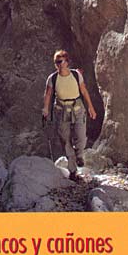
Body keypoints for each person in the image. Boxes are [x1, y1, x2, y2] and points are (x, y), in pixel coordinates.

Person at [42, 50, 96, 181]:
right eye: (56, 62)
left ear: (67, 62)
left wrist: (91, 107)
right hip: (61, 110)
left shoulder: (76, 75)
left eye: (61, 61)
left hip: (77, 107)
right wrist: (45, 109)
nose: (59, 64)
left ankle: (79, 155)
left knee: (81, 136)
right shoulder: (52, 78)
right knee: (65, 140)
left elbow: (83, 90)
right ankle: (73, 171)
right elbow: (48, 94)